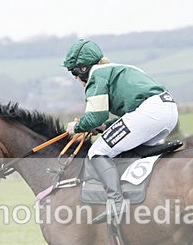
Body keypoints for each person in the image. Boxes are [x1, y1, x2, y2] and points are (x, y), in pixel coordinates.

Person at [62, 39, 178, 224]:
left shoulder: (96, 75)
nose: (76, 79)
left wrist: (75, 127)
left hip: (150, 113)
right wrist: (104, 127)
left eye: (74, 72)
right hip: (167, 111)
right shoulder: (118, 69)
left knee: (98, 151)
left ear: (83, 68)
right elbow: (126, 118)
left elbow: (95, 116)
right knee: (123, 147)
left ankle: (116, 202)